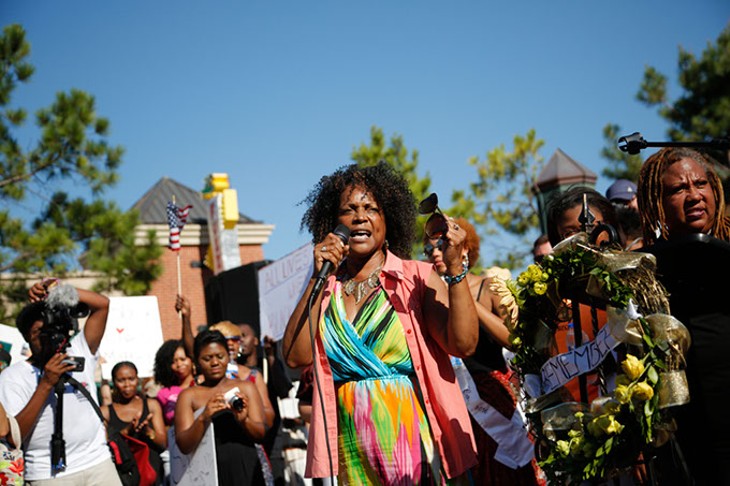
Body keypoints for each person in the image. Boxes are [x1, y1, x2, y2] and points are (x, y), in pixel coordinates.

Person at [282, 161, 479, 484]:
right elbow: (293, 356)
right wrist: (316, 278)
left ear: (389, 220)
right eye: (349, 210)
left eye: (370, 208)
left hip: (412, 445)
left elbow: (464, 344)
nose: (360, 216)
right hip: (350, 448)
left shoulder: (416, 277)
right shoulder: (326, 290)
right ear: (333, 224)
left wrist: (456, 272)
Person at [424, 217, 544, 485]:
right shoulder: (429, 296)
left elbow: (516, 340)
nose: (434, 253)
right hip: (454, 404)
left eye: (441, 245)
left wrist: (465, 298)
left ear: (464, 249)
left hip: (494, 402)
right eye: (428, 249)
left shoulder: (489, 287)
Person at [637, 146, 730, 485]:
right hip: (690, 421)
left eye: (700, 184)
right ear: (656, 202)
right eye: (678, 189)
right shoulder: (643, 268)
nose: (694, 196)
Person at [0, 278, 121, 484]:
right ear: (27, 338)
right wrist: (46, 383)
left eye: (53, 329)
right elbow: (13, 436)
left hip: (97, 462)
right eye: (39, 333)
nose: (49, 337)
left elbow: (102, 304)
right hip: (48, 475)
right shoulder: (13, 376)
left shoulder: (79, 350)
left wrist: (57, 288)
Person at [174, 329, 266, 485]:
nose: (215, 363)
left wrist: (244, 421)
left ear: (228, 357)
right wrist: (204, 417)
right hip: (207, 473)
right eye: (207, 358)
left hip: (245, 468)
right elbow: (184, 445)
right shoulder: (188, 396)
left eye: (220, 356)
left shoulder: (246, 387)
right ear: (196, 361)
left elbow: (261, 433)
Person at [102, 361, 167, 485]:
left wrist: (148, 431)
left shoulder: (151, 405)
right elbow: (105, 448)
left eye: (131, 379)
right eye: (121, 380)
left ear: (137, 379)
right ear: (114, 382)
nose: (127, 385)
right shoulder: (105, 412)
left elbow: (163, 443)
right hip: (124, 476)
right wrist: (126, 432)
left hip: (152, 475)